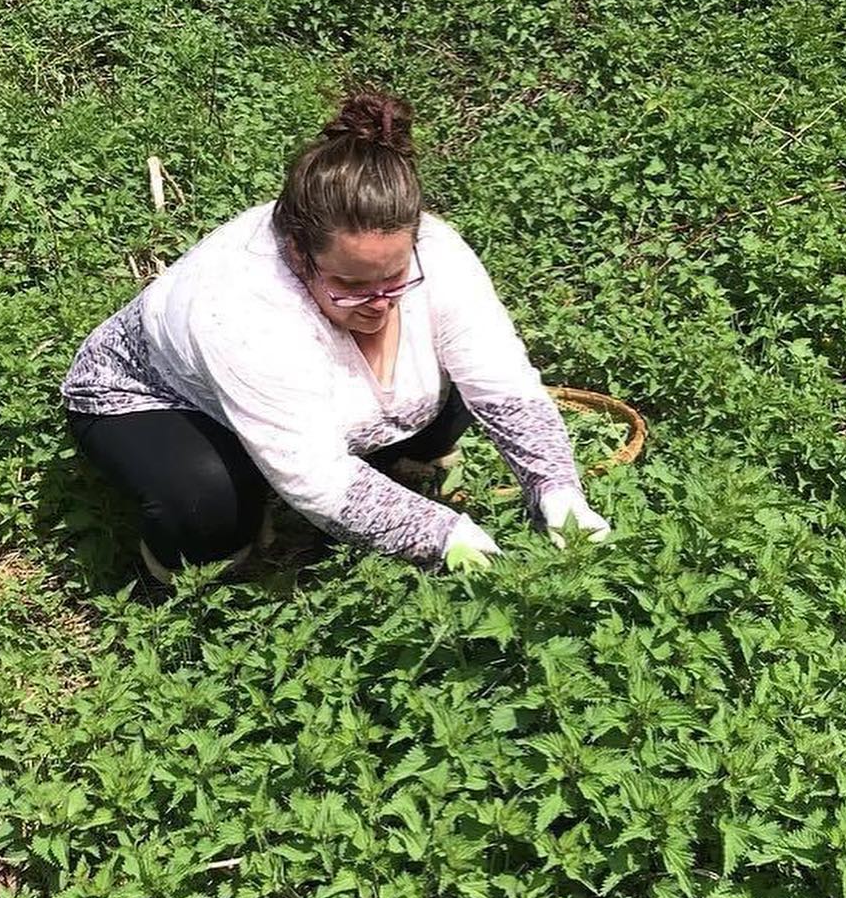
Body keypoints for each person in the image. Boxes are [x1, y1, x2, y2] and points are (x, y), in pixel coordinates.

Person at [61, 89, 610, 582]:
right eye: (351, 284)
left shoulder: (436, 250)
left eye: (394, 279)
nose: (379, 302)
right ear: (299, 253)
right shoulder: (239, 306)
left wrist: (557, 490)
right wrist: (444, 540)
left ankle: (390, 461)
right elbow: (315, 476)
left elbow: (501, 378)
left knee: (458, 382)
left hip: (299, 392)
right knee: (209, 507)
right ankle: (198, 556)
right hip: (151, 397)